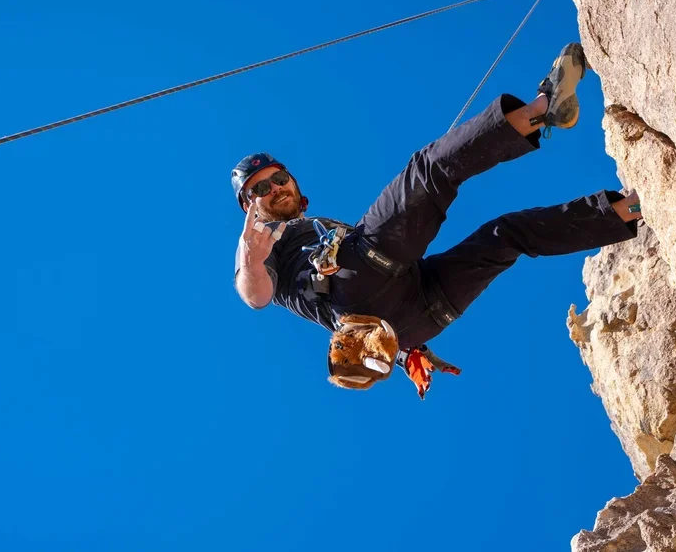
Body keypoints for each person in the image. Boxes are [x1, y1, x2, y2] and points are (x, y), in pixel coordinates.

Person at [233, 43, 642, 392]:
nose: (275, 189)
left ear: (293, 181)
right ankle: (545, 107)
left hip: (415, 322)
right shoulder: (259, 239)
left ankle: (630, 209)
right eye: (260, 190)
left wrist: (408, 351)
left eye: (279, 179)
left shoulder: (313, 226)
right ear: (249, 205)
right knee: (428, 171)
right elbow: (255, 296)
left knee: (507, 235)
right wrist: (250, 261)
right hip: (359, 282)